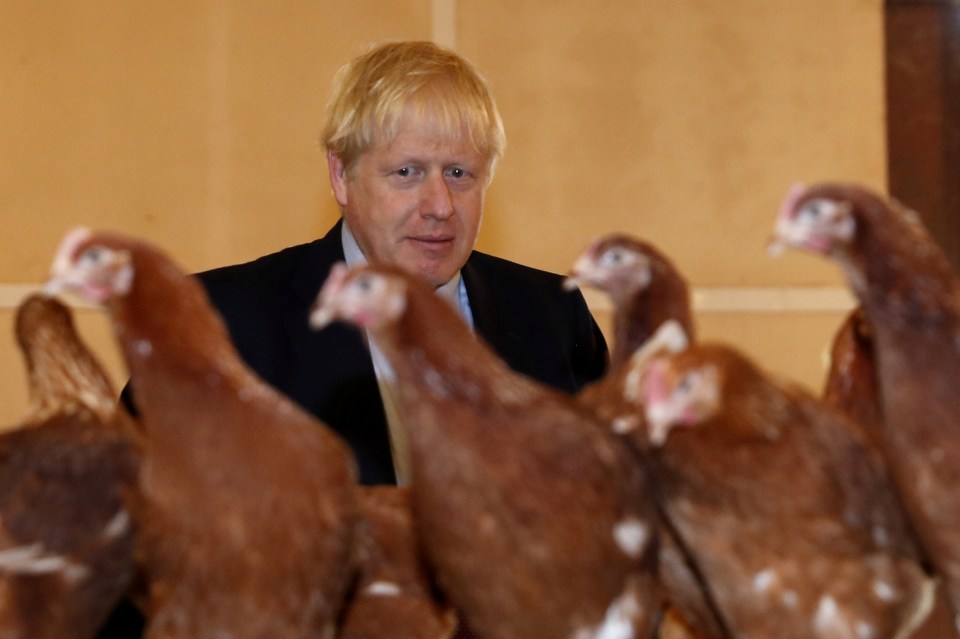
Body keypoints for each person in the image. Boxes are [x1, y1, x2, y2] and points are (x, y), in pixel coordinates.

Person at [98, 39, 608, 637]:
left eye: (460, 174)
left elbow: (616, 539)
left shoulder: (554, 317)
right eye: (407, 172)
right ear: (342, 175)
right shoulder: (219, 325)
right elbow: (119, 559)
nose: (439, 205)